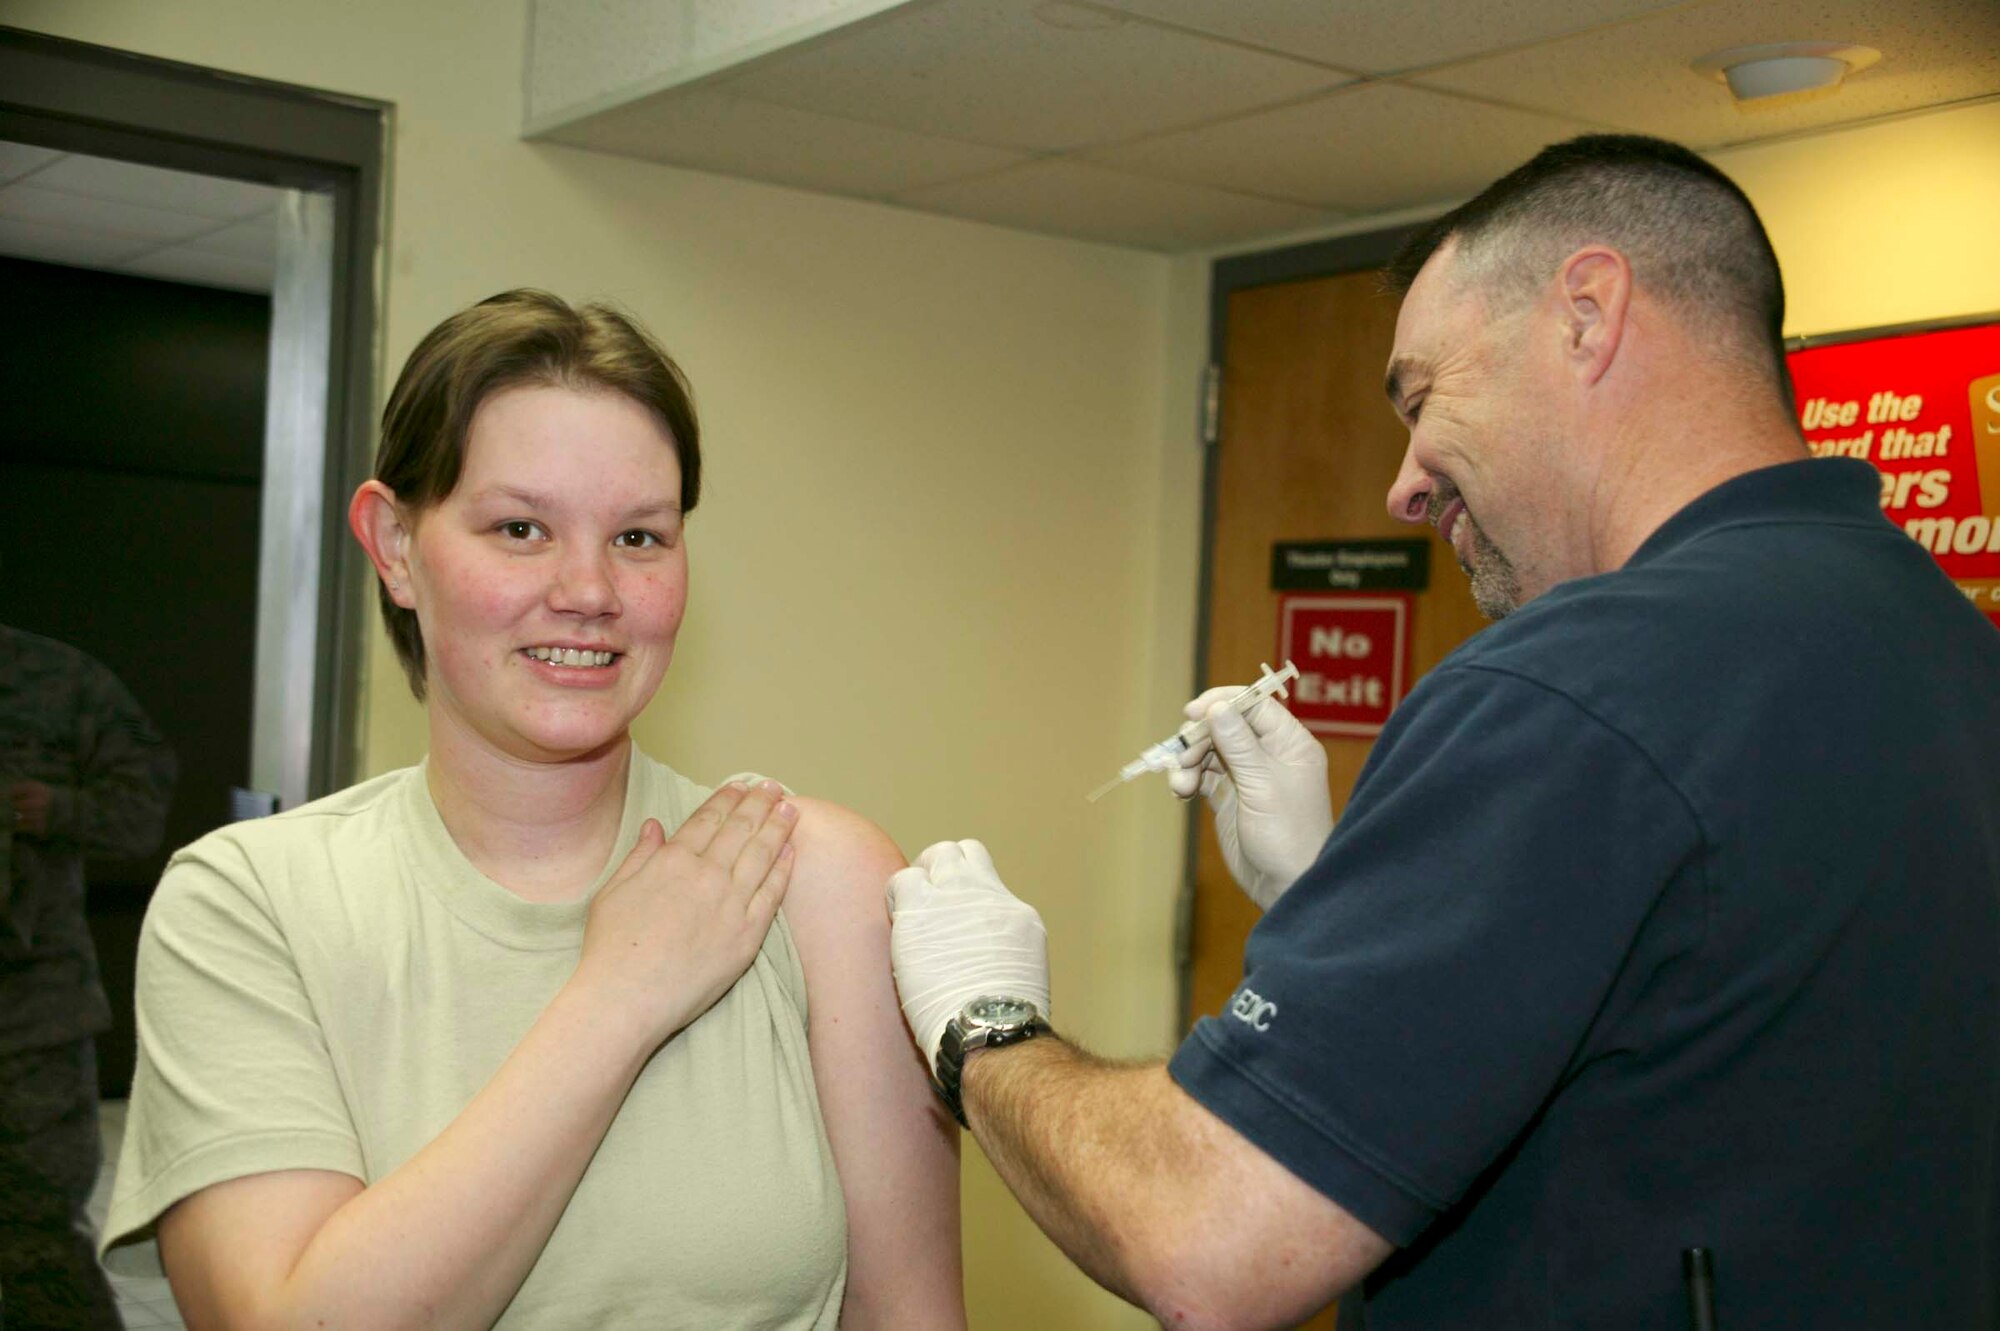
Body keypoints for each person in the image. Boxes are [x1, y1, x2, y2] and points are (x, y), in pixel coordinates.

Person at [884, 134, 2000, 1329]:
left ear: (1585, 314)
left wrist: (980, 1025)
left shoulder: (1574, 685)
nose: (1402, 485)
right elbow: (1718, 1032)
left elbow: (1206, 1235)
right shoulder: (1940, 642)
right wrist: (1335, 892)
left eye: (1420, 399)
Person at [98, 290, 963, 1328]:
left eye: (639, 536)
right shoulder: (248, 903)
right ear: (395, 546)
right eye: (520, 527)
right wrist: (619, 996)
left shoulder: (820, 880)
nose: (588, 588)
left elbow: (905, 1312)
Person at [0, 625, 175, 1329]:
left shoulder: (53, 677)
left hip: (26, 1021)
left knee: (34, 1238)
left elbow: (141, 810)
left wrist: (55, 808)